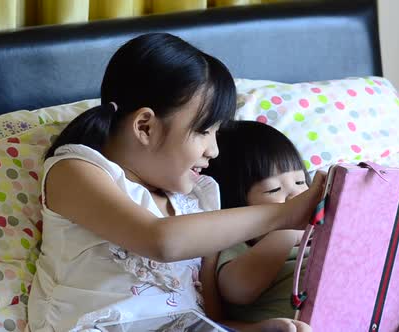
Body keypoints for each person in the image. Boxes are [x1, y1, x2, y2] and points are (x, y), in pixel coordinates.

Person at [27, 33, 319, 332]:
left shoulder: (199, 200)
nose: (214, 150)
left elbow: (211, 320)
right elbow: (160, 241)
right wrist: (283, 215)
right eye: (204, 131)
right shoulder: (76, 170)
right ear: (145, 126)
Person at [202, 120, 399, 325]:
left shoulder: (324, 241)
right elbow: (239, 290)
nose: (297, 196)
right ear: (235, 207)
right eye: (274, 189)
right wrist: (288, 226)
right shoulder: (240, 246)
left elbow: (397, 287)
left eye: (300, 183)